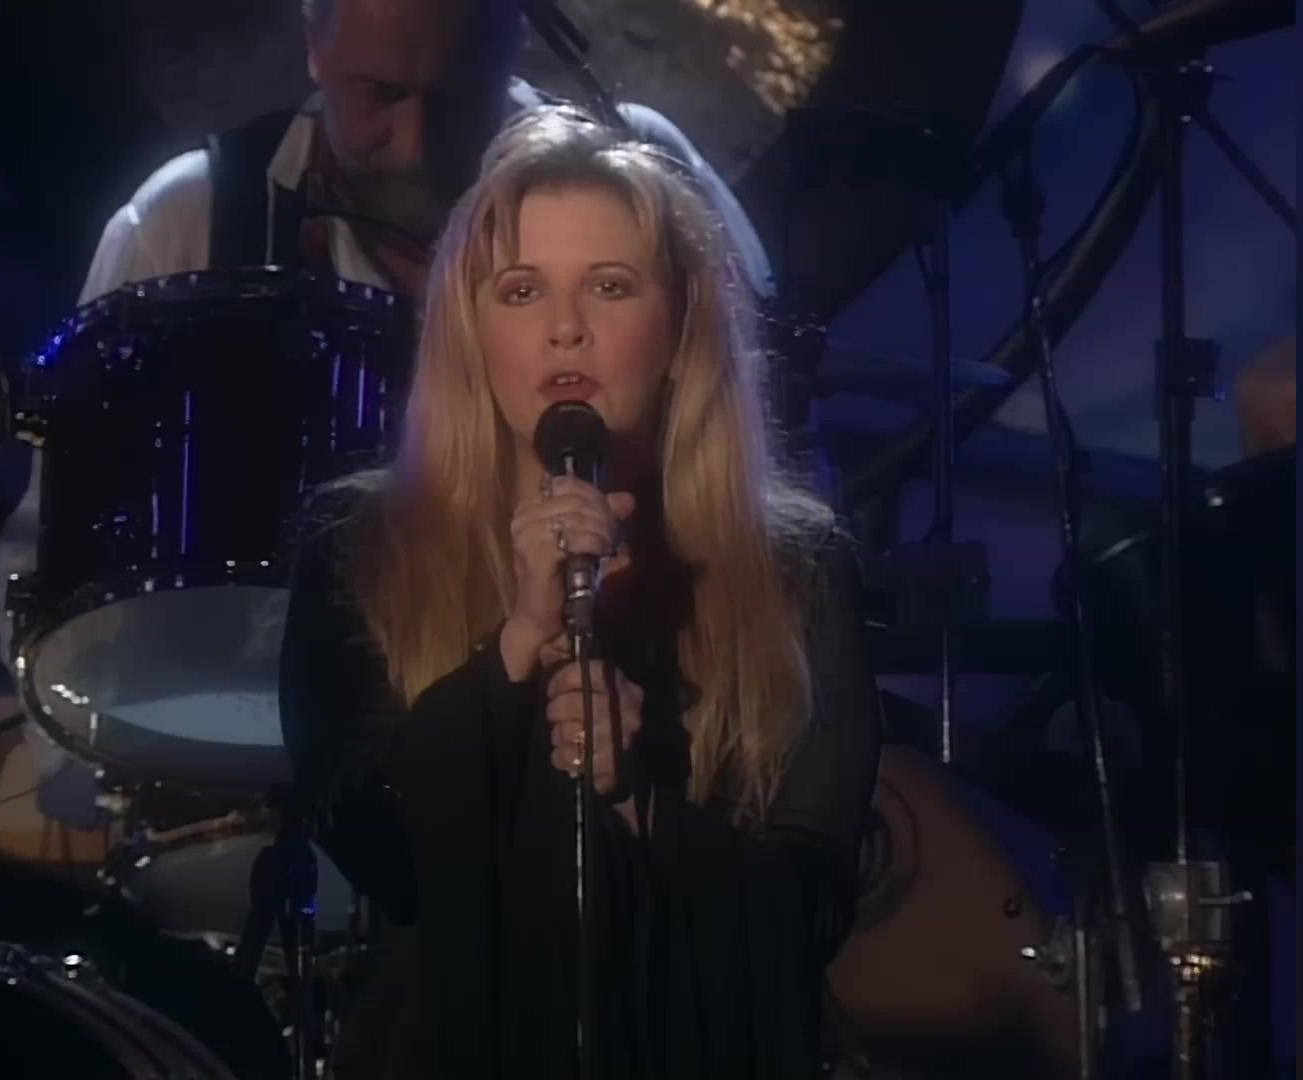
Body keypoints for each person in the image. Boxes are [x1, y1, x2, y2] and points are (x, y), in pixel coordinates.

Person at [0, 0, 773, 827]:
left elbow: (755, 437)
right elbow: (53, 542)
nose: (418, 143)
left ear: (511, 48)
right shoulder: (186, 222)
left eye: (455, 95)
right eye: (380, 93)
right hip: (251, 803)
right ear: (314, 46)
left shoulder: (640, 175)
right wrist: (91, 768)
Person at [278, 105, 881, 1078]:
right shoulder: (364, 547)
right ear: (470, 332)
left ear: (681, 326)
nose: (566, 328)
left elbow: (808, 915)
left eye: (610, 286)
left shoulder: (796, 570)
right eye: (521, 291)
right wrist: (512, 654)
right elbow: (381, 855)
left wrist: (639, 801)